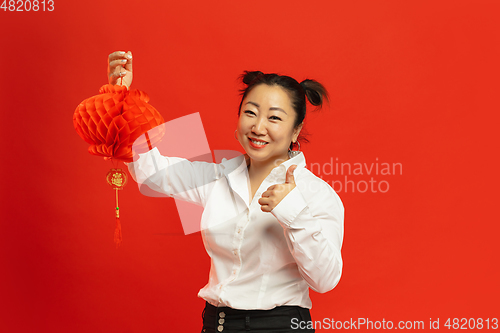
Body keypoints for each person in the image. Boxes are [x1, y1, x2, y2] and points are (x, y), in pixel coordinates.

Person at [107, 50, 344, 333]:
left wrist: (293, 212)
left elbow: (325, 279)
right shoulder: (219, 177)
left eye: (275, 118)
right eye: (250, 113)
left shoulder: (316, 194)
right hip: (216, 324)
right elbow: (152, 173)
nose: (258, 127)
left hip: (279, 326)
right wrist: (121, 99)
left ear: (296, 130)